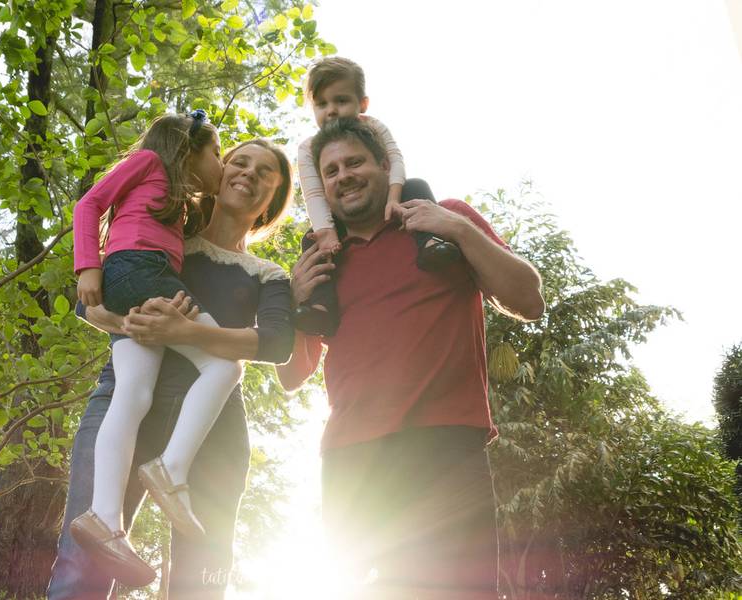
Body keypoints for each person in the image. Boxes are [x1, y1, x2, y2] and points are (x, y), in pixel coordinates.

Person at [278, 118, 545, 599]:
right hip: (351, 459)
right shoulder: (321, 257)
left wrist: (459, 230)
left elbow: (529, 300)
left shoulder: (443, 222)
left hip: (445, 447)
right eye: (331, 171)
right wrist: (294, 305)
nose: (344, 176)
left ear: (386, 165)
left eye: (354, 162)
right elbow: (293, 375)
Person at [49, 138, 294, 598]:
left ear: (273, 201)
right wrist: (135, 323)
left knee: (201, 577)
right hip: (125, 400)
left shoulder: (268, 274)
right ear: (217, 172)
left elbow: (278, 344)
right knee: (83, 567)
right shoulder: (164, 233)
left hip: (213, 426)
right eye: (239, 161)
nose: (248, 173)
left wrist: (187, 332)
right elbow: (91, 303)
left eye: (265, 172)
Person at [70, 111, 245, 584]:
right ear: (188, 148)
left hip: (131, 278)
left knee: (134, 394)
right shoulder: (148, 161)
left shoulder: (179, 198)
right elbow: (89, 204)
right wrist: (87, 265)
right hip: (140, 270)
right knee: (225, 367)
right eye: (216, 153)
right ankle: (171, 469)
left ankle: (105, 518)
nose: (222, 164)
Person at [293, 57, 461, 336]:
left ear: (362, 104)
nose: (331, 110)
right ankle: (321, 306)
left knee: (417, 186)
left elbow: (395, 162)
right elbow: (313, 193)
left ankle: (430, 243)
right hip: (339, 211)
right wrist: (326, 232)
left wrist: (394, 198)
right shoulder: (308, 148)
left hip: (389, 194)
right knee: (311, 241)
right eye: (321, 104)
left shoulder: (374, 127)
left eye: (341, 100)